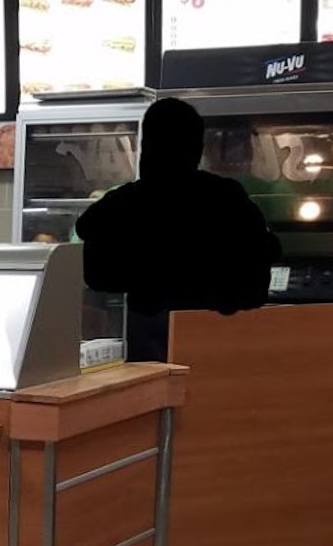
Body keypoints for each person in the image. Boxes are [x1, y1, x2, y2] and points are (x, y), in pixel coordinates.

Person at [75, 97, 281, 364]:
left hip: (146, 342)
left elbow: (90, 243)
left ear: (146, 147)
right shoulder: (225, 196)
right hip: (218, 339)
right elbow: (266, 253)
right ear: (196, 148)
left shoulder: (129, 200)